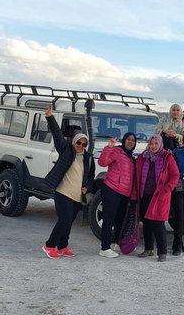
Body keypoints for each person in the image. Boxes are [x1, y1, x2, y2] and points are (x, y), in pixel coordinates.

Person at [41, 105, 95, 259]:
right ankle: (49, 245)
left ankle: (62, 246)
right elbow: (58, 135)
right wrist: (50, 118)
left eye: (84, 144)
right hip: (63, 192)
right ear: (74, 142)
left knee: (69, 222)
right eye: (79, 143)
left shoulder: (88, 159)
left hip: (77, 196)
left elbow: (90, 178)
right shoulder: (66, 150)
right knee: (64, 220)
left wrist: (87, 187)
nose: (80, 146)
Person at [135, 134, 180, 262]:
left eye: (156, 143)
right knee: (147, 223)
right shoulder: (144, 157)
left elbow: (175, 175)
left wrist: (167, 189)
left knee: (159, 223)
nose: (153, 146)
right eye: (151, 143)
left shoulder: (167, 157)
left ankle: (162, 252)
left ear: (160, 144)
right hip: (145, 195)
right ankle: (149, 248)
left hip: (160, 196)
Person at [97, 132, 137, 258]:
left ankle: (117, 243)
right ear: (124, 140)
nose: (130, 142)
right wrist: (109, 147)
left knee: (120, 220)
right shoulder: (116, 151)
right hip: (112, 189)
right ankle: (104, 247)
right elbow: (102, 163)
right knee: (109, 219)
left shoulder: (132, 157)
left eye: (133, 140)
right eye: (128, 139)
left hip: (124, 193)